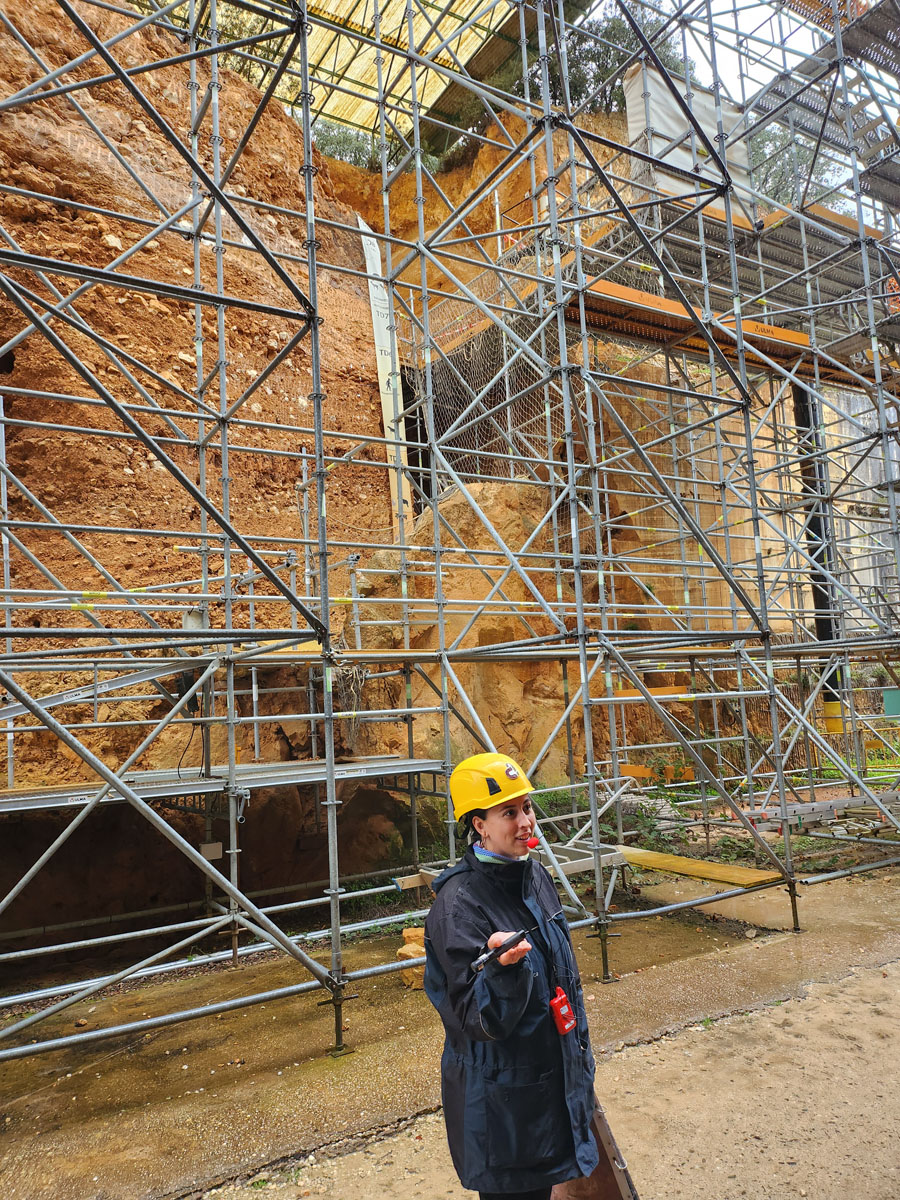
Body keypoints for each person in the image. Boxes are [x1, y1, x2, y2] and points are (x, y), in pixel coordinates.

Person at [424, 752, 599, 1200]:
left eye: (527, 808)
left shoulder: (533, 875)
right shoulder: (458, 905)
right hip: (505, 1108)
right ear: (479, 825)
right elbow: (472, 1019)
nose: (526, 822)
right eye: (509, 813)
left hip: (548, 1082)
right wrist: (501, 972)